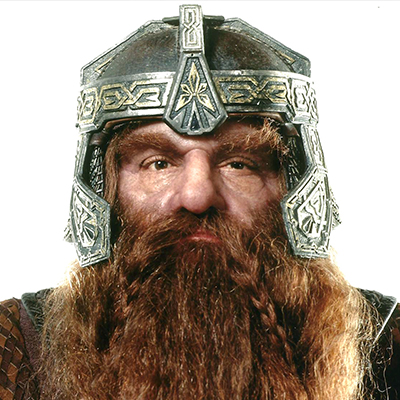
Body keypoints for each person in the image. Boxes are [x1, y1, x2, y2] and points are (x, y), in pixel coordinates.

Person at [0, 4, 399, 400]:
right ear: (104, 188)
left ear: (293, 188)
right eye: (158, 163)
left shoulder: (389, 344)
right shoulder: (12, 344)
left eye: (239, 164)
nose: (196, 196)